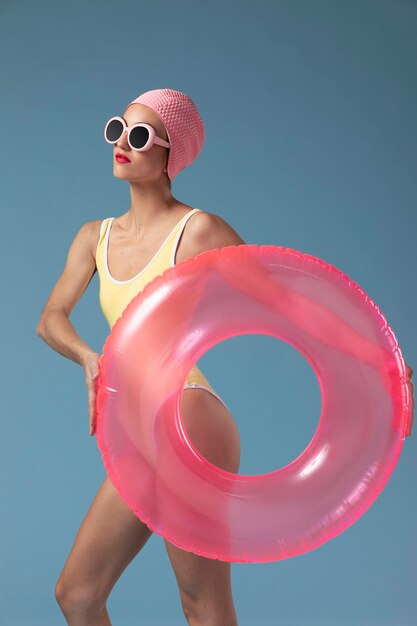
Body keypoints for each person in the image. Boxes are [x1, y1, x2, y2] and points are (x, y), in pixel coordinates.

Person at [37, 88, 246, 626]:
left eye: (139, 136)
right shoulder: (95, 237)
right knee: (78, 594)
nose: (121, 145)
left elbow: (290, 302)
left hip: (186, 412)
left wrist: (376, 356)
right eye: (117, 130)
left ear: (170, 153)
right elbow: (51, 318)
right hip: (136, 423)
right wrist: (90, 357)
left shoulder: (198, 230)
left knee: (202, 603)